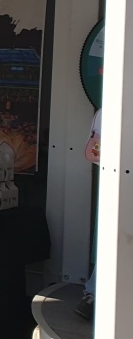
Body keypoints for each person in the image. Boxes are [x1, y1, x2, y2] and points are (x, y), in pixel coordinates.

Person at [78, 108, 102, 320]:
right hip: (120, 183)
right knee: (115, 244)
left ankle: (93, 296)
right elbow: (94, 152)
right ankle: (93, 296)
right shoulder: (111, 109)